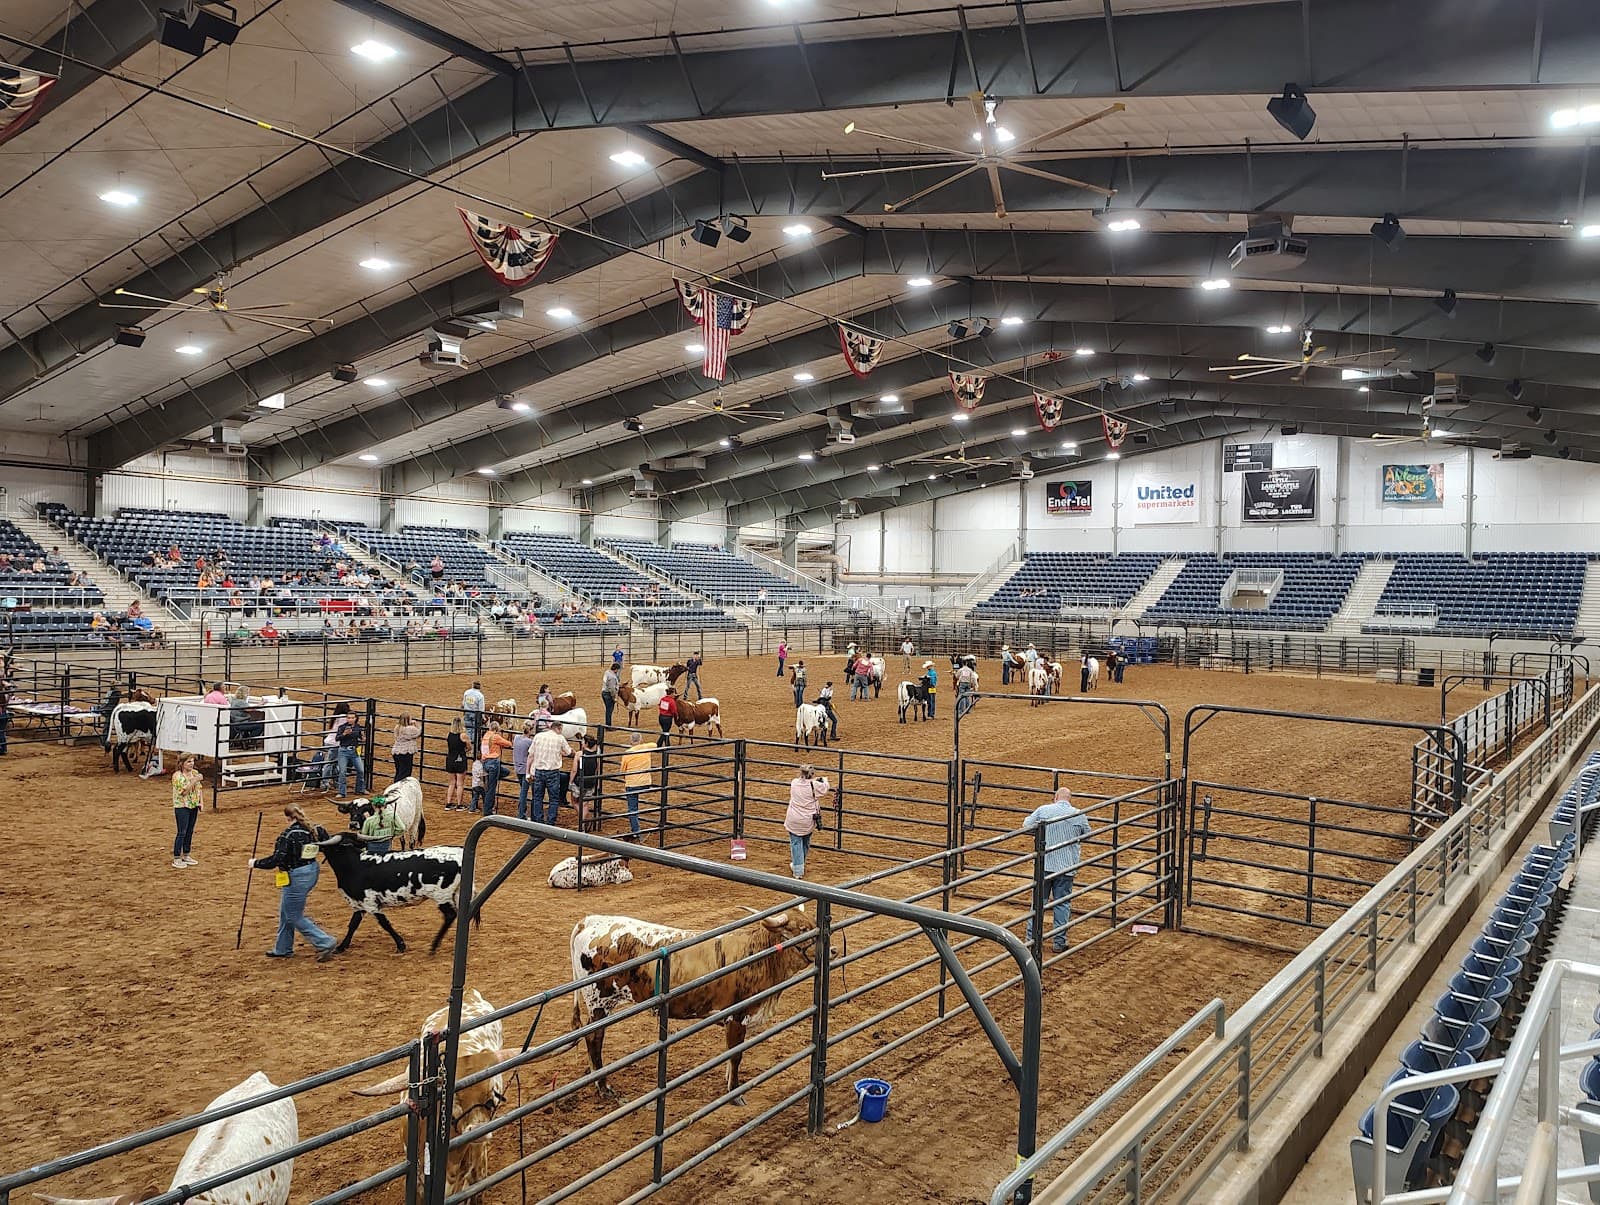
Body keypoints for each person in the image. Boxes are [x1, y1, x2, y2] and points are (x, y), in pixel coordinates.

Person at [247, 805, 338, 962]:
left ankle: (325, 941)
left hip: (296, 876)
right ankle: (283, 947)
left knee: (294, 915)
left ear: (288, 818)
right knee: (286, 910)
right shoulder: (315, 829)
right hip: (312, 870)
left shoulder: (287, 835)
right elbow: (328, 845)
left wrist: (255, 863)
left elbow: (276, 860)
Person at [1024, 787, 1091, 955]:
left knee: (1039, 902)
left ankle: (1031, 940)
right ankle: (1059, 942)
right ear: (1070, 799)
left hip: (1045, 865)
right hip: (1066, 866)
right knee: (1062, 903)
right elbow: (1087, 834)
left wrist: (1040, 832)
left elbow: (1026, 826)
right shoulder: (1078, 814)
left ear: (1055, 798)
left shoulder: (1044, 810)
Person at [785, 765, 829, 879]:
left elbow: (803, 782)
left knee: (795, 842)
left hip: (794, 817)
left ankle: (798, 868)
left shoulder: (794, 782)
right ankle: (799, 866)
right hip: (808, 819)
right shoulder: (814, 785)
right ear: (812, 774)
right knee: (805, 841)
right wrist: (823, 779)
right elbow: (825, 787)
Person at [529, 719, 573, 824]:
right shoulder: (560, 738)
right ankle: (550, 821)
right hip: (553, 772)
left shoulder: (538, 736)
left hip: (539, 770)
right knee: (553, 798)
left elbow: (531, 754)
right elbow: (569, 752)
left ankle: (539, 820)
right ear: (559, 728)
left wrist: (529, 771)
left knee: (538, 797)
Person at [171, 755, 203, 868]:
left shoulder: (194, 773)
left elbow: (199, 789)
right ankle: (176, 857)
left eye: (192, 761)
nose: (192, 763)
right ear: (182, 763)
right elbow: (183, 792)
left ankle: (186, 854)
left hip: (193, 805)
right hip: (181, 806)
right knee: (182, 832)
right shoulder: (177, 776)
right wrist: (194, 780)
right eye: (189, 761)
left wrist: (200, 802)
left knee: (189, 831)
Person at [621, 740, 655, 839]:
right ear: (641, 740)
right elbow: (655, 744)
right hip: (645, 782)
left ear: (630, 741)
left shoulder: (627, 754)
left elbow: (622, 771)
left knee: (632, 809)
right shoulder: (646, 748)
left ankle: (636, 831)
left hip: (632, 783)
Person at [480, 719, 514, 816]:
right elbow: (509, 744)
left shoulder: (486, 735)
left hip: (486, 762)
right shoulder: (495, 737)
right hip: (493, 762)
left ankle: (487, 807)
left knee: (491, 785)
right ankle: (487, 810)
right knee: (492, 788)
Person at [572, 733, 601, 831]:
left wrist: (570, 781)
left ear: (586, 743)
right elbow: (597, 769)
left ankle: (582, 821)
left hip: (579, 782)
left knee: (575, 801)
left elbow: (574, 770)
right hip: (590, 782)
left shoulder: (579, 754)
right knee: (585, 803)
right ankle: (583, 823)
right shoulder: (596, 756)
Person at [335, 709, 366, 798]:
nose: (350, 719)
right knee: (342, 771)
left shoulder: (358, 727)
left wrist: (363, 737)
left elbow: (361, 738)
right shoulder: (342, 727)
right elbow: (337, 738)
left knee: (361, 770)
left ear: (356, 719)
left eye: (352, 718)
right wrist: (344, 734)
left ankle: (359, 789)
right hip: (343, 751)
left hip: (354, 751)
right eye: (349, 718)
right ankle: (342, 792)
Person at [512, 719, 536, 819]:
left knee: (523, 790)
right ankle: (521, 814)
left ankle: (522, 811)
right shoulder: (529, 742)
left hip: (518, 768)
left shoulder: (516, 738)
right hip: (526, 769)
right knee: (524, 792)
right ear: (530, 730)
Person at [391, 712, 420, 781]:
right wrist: (416, 724)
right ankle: (400, 788)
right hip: (405, 752)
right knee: (405, 773)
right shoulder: (409, 729)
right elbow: (418, 732)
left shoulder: (397, 727)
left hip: (396, 751)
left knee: (399, 771)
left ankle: (396, 786)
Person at [462, 680, 485, 752]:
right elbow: (481, 708)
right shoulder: (480, 695)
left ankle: (468, 746)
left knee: (469, 730)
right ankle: (474, 748)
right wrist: (483, 717)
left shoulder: (467, 692)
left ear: (472, 685)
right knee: (475, 730)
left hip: (467, 712)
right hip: (476, 714)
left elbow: (463, 703)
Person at [601, 663, 620, 728]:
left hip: (604, 692)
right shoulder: (612, 677)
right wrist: (614, 697)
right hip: (609, 694)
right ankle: (608, 726)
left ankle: (607, 724)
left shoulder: (607, 672)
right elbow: (612, 689)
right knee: (609, 710)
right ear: (616, 669)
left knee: (608, 709)